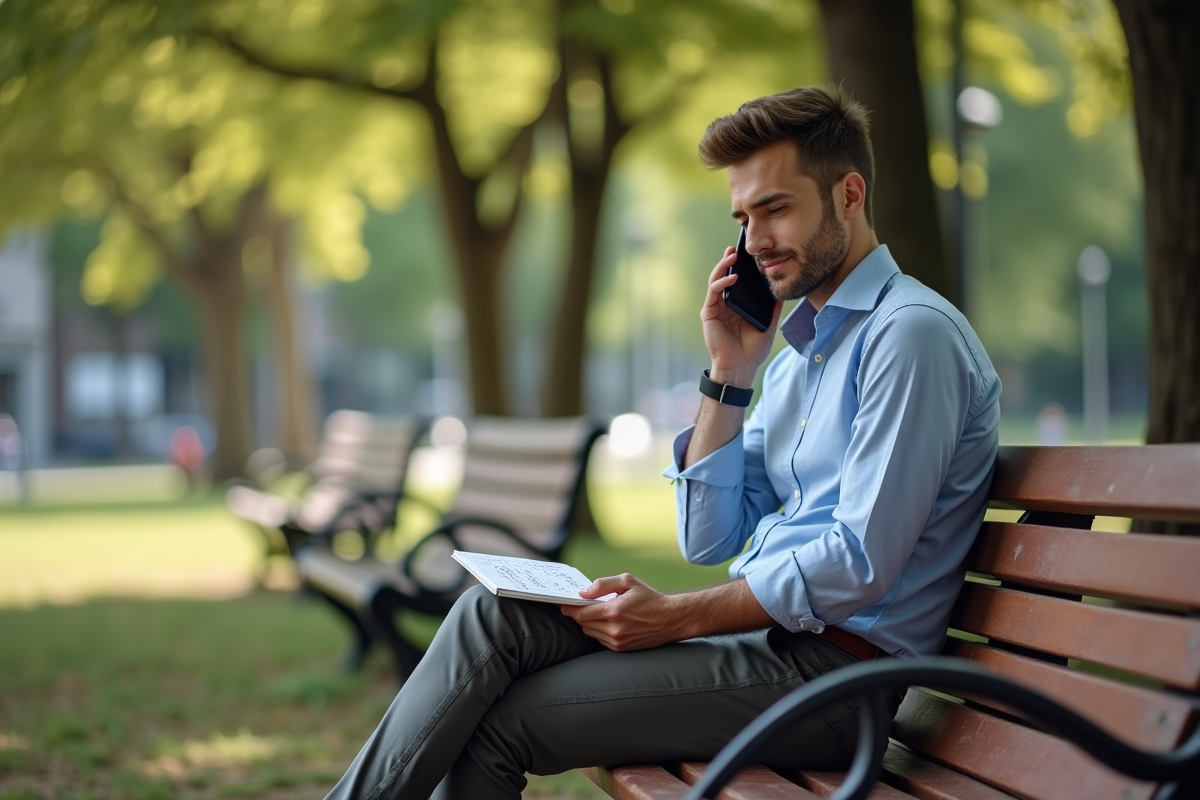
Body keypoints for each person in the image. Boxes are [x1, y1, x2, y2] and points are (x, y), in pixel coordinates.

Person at [322, 85, 1000, 800]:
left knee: (502, 722)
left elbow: (859, 563)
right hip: (765, 646)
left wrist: (675, 618)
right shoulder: (799, 353)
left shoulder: (910, 337)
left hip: (837, 681)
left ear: (850, 194)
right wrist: (730, 370)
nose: (756, 240)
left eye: (776, 208)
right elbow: (708, 536)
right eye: (743, 217)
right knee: (495, 616)